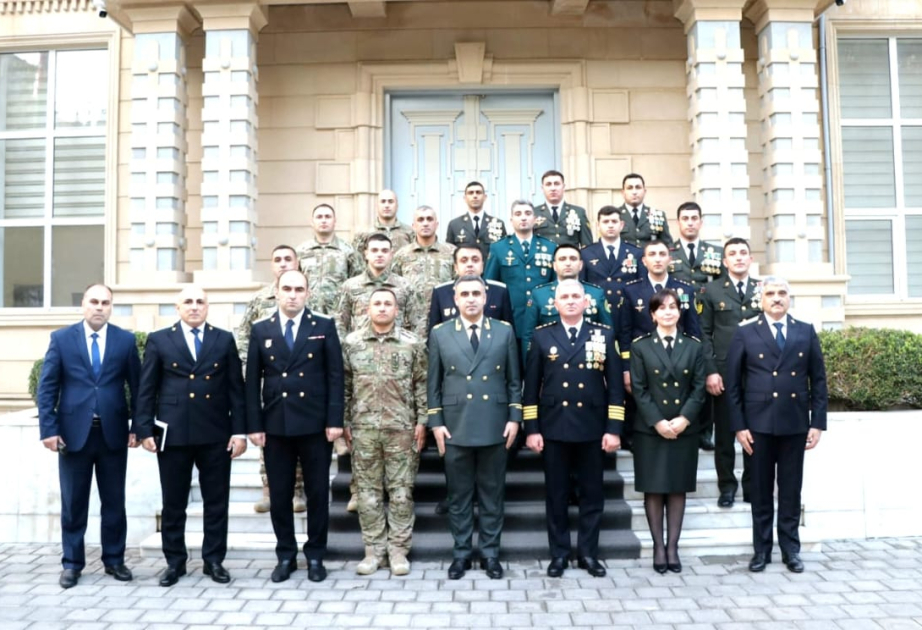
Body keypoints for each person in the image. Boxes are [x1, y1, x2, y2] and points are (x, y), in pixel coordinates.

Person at [136, 285, 247, 587]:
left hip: (215, 433)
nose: (195, 306)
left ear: (208, 306)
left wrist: (239, 432)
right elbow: (147, 388)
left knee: (216, 502)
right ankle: (175, 562)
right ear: (178, 307)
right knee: (174, 503)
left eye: (200, 301)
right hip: (173, 435)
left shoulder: (223, 339)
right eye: (188, 301)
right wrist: (144, 429)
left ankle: (214, 560)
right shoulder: (160, 340)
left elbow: (236, 389)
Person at [37, 284, 142, 589]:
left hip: (113, 435)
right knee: (74, 502)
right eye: (94, 301)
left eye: (105, 303)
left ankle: (114, 560)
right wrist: (49, 429)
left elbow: (138, 388)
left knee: (114, 502)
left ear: (111, 307)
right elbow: (47, 388)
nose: (99, 307)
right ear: (83, 304)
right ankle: (72, 564)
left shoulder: (124, 340)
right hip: (73, 436)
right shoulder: (61, 339)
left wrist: (138, 427)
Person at [246, 269, 344, 583]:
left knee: (317, 494)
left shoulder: (323, 326)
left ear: (307, 293)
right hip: (276, 424)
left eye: (299, 289)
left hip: (315, 425)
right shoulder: (262, 329)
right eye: (287, 288)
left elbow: (335, 376)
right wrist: (254, 424)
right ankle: (285, 555)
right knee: (280, 495)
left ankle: (316, 555)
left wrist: (335, 420)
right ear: (276, 291)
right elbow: (252, 382)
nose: (293, 294)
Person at [726, 277, 827, 574]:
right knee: (760, 491)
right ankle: (761, 551)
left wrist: (817, 422)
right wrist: (739, 426)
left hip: (794, 422)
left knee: (791, 491)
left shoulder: (805, 331)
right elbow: (732, 385)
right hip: (757, 425)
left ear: (789, 298)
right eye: (770, 293)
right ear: (761, 299)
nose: (776, 298)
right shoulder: (745, 332)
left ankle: (791, 550)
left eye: (782, 293)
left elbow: (818, 380)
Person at [523, 280, 624, 578]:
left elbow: (615, 388)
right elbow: (531, 389)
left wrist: (614, 428)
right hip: (554, 427)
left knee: (592, 494)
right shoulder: (542, 337)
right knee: (556, 495)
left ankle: (589, 554)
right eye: (563, 297)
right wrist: (532, 429)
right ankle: (559, 555)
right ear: (554, 304)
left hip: (592, 428)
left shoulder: (604, 335)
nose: (569, 301)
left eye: (575, 296)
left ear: (586, 302)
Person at [427, 275, 522, 580]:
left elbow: (512, 380)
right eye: (464, 294)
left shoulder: (504, 331)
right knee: (459, 495)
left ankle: (491, 553)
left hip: (494, 423)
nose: (470, 298)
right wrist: (436, 424)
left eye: (476, 293)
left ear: (485, 298)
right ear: (454, 299)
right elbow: (434, 385)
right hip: (456, 425)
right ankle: (462, 553)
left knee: (493, 494)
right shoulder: (440, 333)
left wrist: (514, 418)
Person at [342, 288, 427, 576]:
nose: (381, 308)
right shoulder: (352, 343)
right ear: (367, 309)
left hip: (401, 429)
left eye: (387, 303)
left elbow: (421, 385)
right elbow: (344, 386)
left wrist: (422, 421)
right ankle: (373, 550)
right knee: (367, 494)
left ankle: (398, 550)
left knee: (401, 493)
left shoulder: (412, 343)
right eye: (376, 303)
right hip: (363, 429)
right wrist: (344, 423)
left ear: (397, 309)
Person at [629, 288, 707, 574]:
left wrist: (684, 419)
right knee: (654, 488)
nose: (668, 312)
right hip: (651, 428)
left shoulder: (694, 346)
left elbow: (699, 388)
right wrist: (659, 422)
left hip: (684, 428)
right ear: (652, 314)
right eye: (661, 308)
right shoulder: (640, 347)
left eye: (673, 307)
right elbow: (639, 388)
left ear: (680, 311)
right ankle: (658, 547)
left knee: (677, 488)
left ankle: (672, 547)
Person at [236, 244, 306, 514]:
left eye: (288, 259)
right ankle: (269, 489)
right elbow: (244, 336)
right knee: (268, 437)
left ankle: (298, 490)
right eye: (277, 259)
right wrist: (249, 367)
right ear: (271, 265)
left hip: (300, 380)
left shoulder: (304, 295)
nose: (283, 263)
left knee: (298, 434)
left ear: (297, 263)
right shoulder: (259, 300)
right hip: (269, 379)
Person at [698, 238, 762, 507]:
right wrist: (711, 371)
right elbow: (704, 334)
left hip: (758, 372)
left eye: (743, 253)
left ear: (750, 258)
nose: (738, 257)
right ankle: (727, 487)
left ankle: (751, 485)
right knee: (724, 434)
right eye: (732, 254)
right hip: (724, 374)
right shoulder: (711, 291)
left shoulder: (764, 289)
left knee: (756, 432)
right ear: (724, 261)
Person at [620, 240, 701, 450]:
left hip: (679, 356)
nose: (657, 258)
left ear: (669, 259)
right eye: (652, 254)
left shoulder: (685, 289)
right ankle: (633, 435)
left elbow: (693, 329)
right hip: (642, 359)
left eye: (662, 254)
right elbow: (625, 332)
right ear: (644, 261)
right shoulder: (631, 290)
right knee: (640, 396)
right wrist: (626, 368)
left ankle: (683, 425)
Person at [668, 201, 723, 451]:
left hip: (706, 319)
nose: (690, 222)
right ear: (677, 223)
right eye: (685, 218)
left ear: (701, 222)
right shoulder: (667, 252)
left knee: (704, 374)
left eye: (694, 218)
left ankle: (705, 431)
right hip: (676, 321)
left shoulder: (715, 252)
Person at [484, 199, 556, 352]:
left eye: (528, 213)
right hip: (511, 318)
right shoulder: (498, 248)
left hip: (542, 317)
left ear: (535, 219)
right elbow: (490, 286)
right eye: (518, 214)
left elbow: (555, 284)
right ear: (511, 220)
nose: (523, 217)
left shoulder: (550, 247)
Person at [521, 243, 612, 364]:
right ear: (554, 265)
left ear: (580, 265)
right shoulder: (539, 294)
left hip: (589, 361)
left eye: (573, 259)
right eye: (562, 259)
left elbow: (608, 332)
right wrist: (530, 367)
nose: (568, 263)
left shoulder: (596, 293)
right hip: (551, 361)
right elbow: (528, 335)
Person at [392, 205, 456, 338]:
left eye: (429, 219)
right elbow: (395, 289)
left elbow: (459, 285)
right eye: (420, 220)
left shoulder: (451, 252)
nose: (425, 223)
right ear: (414, 225)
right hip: (411, 325)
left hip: (446, 322)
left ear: (436, 224)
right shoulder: (401, 255)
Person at [427, 243, 514, 332]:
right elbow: (434, 334)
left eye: (475, 260)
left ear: (482, 265)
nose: (470, 265)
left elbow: (508, 333)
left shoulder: (499, 291)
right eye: (464, 261)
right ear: (456, 267)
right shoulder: (441, 293)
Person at [579, 205, 645, 316]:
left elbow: (642, 286)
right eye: (605, 222)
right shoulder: (586, 253)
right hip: (598, 312)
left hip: (628, 312)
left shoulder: (636, 253)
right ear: (598, 225)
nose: (610, 225)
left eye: (614, 221)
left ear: (621, 225)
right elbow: (582, 286)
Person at [297, 203, 358, 316]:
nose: (323, 220)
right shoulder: (301, 251)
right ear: (312, 222)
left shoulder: (348, 250)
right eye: (319, 217)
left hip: (338, 316)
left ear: (335, 221)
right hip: (307, 314)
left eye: (327, 217)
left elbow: (357, 282)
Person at [445, 181, 507, 260]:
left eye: (478, 192)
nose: (475, 196)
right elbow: (449, 255)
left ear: (485, 197)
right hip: (465, 271)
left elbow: (503, 252)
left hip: (490, 271)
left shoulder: (498, 224)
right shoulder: (454, 225)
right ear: (465, 198)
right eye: (471, 193)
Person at [533, 170, 592, 248]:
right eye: (548, 184)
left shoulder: (579, 212)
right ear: (542, 188)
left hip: (570, 258)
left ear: (563, 187)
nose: (553, 188)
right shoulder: (533, 213)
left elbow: (587, 245)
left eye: (557, 184)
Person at [352, 189, 414, 259]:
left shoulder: (409, 232)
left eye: (390, 202)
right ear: (377, 206)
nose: (387, 205)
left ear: (397, 206)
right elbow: (357, 261)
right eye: (383, 202)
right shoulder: (363, 233)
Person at [617, 173, 673, 247]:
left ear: (644, 191)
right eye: (630, 188)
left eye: (638, 187)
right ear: (623, 192)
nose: (634, 192)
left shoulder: (657, 215)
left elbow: (668, 244)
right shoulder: (615, 216)